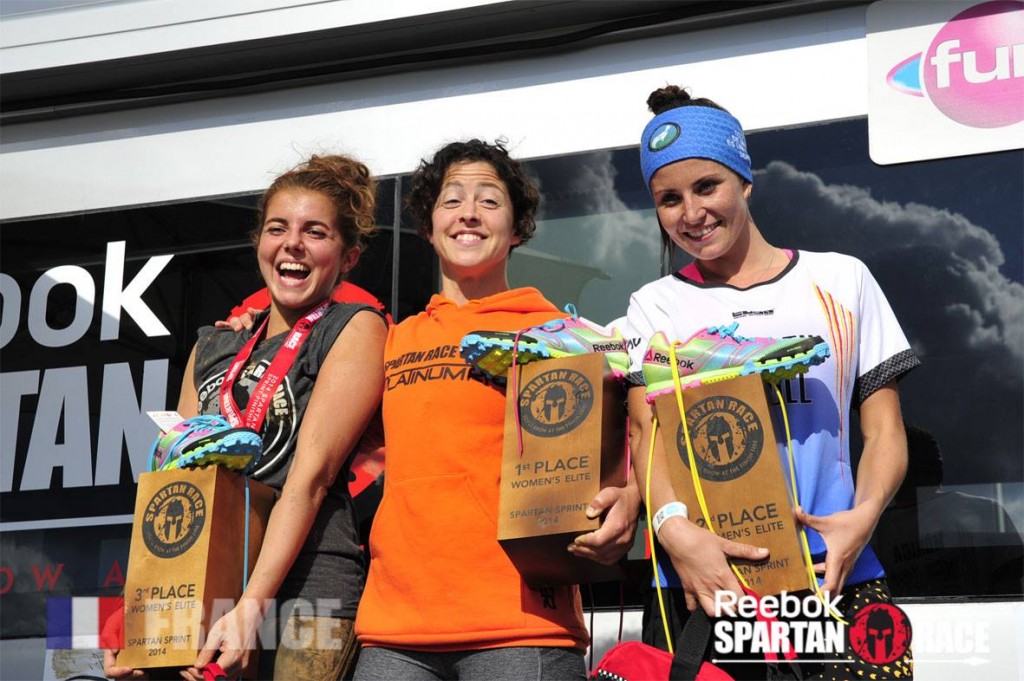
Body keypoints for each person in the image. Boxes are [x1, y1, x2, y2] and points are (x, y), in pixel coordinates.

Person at [624, 86, 919, 679]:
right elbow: (644, 434)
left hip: (834, 575)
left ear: (745, 181)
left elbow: (884, 430)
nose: (691, 213)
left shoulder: (841, 279)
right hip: (706, 584)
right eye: (669, 198)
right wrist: (675, 533)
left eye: (707, 187)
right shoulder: (652, 306)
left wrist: (863, 518)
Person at [352, 139, 639, 681]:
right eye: (451, 199)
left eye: (489, 201)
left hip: (523, 626)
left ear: (518, 227)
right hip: (393, 630)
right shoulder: (391, 339)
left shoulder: (562, 336)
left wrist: (632, 497)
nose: (468, 213)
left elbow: (634, 439)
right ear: (428, 224)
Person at [103, 154, 387, 681]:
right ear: (259, 242)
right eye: (277, 228)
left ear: (347, 258)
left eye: (315, 232)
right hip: (201, 584)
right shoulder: (214, 343)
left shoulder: (355, 328)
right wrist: (138, 606)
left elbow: (311, 478)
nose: (292, 244)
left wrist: (251, 606)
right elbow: (175, 485)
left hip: (306, 596)